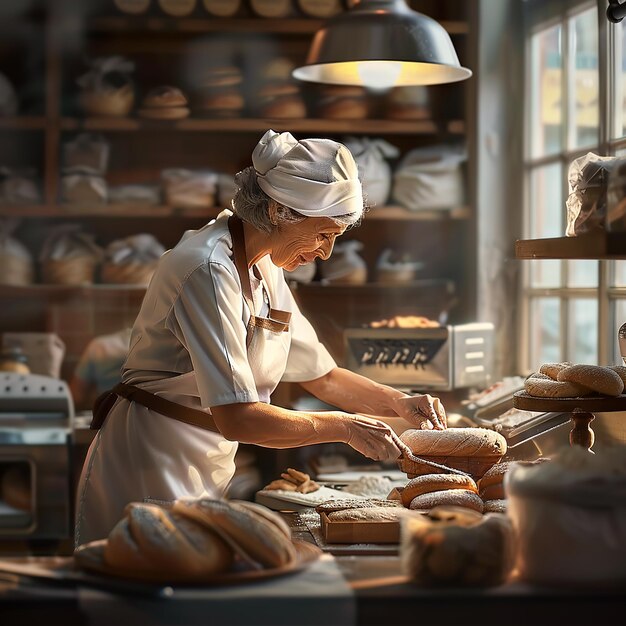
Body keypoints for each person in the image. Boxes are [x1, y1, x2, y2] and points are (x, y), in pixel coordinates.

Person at [75, 129, 447, 546]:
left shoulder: (266, 266)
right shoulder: (207, 270)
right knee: (145, 595)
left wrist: (397, 400)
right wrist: (344, 427)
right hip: (151, 457)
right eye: (323, 234)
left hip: (204, 457)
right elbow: (239, 417)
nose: (325, 253)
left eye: (335, 239)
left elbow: (321, 376)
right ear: (278, 212)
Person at [69, 328, 132, 411]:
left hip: (107, 414)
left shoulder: (100, 346)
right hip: (147, 416)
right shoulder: (150, 347)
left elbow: (76, 395)